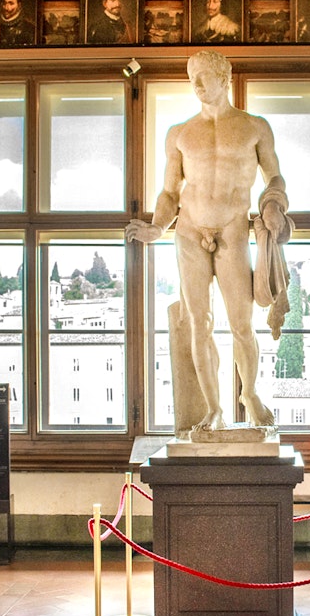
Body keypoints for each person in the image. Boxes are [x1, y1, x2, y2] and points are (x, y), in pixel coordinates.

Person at [125, 50, 293, 433]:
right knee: (197, 324)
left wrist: (272, 205)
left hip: (233, 229)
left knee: (241, 324)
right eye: (192, 78)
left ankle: (248, 393)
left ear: (223, 76)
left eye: (203, 76)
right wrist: (156, 227)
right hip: (188, 231)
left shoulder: (254, 127)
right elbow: (169, 193)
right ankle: (214, 409)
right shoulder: (181, 134)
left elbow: (275, 178)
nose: (198, 85)